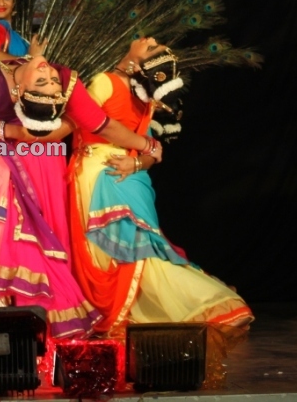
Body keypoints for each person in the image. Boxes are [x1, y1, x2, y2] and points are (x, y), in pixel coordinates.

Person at [0, 54, 162, 339]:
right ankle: (13, 326)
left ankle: (33, 331)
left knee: (49, 238)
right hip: (4, 170)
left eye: (50, 81)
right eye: (44, 80)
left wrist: (147, 144)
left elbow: (101, 124)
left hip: (46, 166)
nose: (49, 73)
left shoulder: (64, 80)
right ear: (19, 91)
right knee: (18, 242)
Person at [68, 38, 253, 337]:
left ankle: (202, 302)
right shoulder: (143, 98)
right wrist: (138, 162)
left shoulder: (108, 83)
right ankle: (202, 299)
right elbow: (152, 152)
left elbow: (87, 123)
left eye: (153, 48)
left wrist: (135, 161)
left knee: (127, 253)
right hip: (127, 175)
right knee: (136, 251)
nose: (150, 40)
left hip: (103, 174)